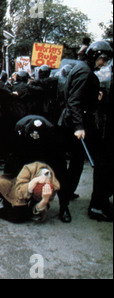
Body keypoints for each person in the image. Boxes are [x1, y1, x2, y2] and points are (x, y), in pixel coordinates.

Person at [58, 40, 113, 222]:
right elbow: (74, 100)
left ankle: (67, 195)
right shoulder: (84, 71)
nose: (104, 63)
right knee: (78, 164)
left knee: (76, 163)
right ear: (95, 56)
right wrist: (79, 127)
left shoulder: (82, 68)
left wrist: (95, 97)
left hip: (75, 121)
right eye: (103, 59)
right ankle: (64, 203)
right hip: (77, 123)